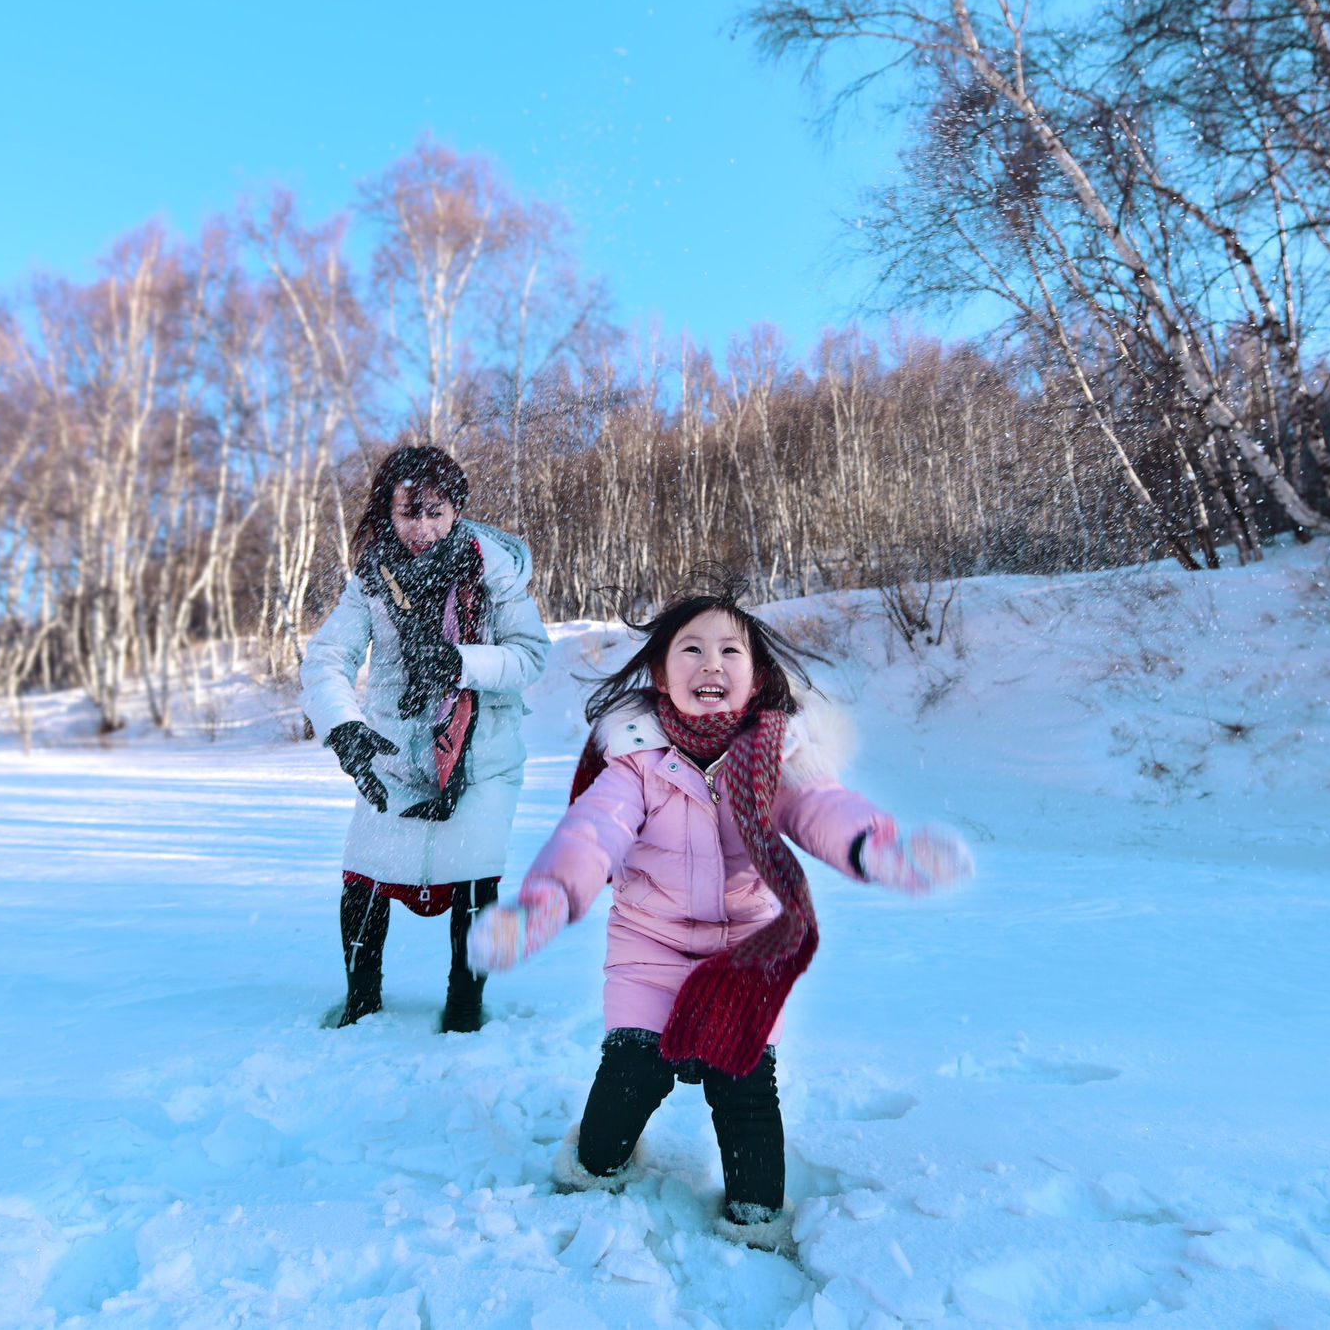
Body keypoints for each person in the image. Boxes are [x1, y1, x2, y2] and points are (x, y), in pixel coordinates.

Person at [466, 584, 974, 1248]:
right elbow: (593, 832)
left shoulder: (777, 756)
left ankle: (757, 1216)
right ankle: (593, 1165)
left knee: (745, 1090)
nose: (712, 663)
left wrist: (877, 848)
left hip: (745, 956)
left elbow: (822, 809)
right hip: (649, 950)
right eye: (692, 649)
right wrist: (549, 899)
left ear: (758, 675)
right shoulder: (636, 759)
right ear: (659, 673)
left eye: (730, 650)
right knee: (631, 1072)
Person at [300, 445, 549, 1032]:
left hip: (480, 757)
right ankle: (361, 1005)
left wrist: (458, 663)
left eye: (435, 512)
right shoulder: (372, 580)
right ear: (388, 512)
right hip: (393, 754)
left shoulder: (494, 572)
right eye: (409, 513)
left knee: (471, 878)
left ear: (456, 509)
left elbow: (530, 656)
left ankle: (465, 1009)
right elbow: (327, 657)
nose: (422, 528)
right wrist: (344, 728)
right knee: (364, 877)